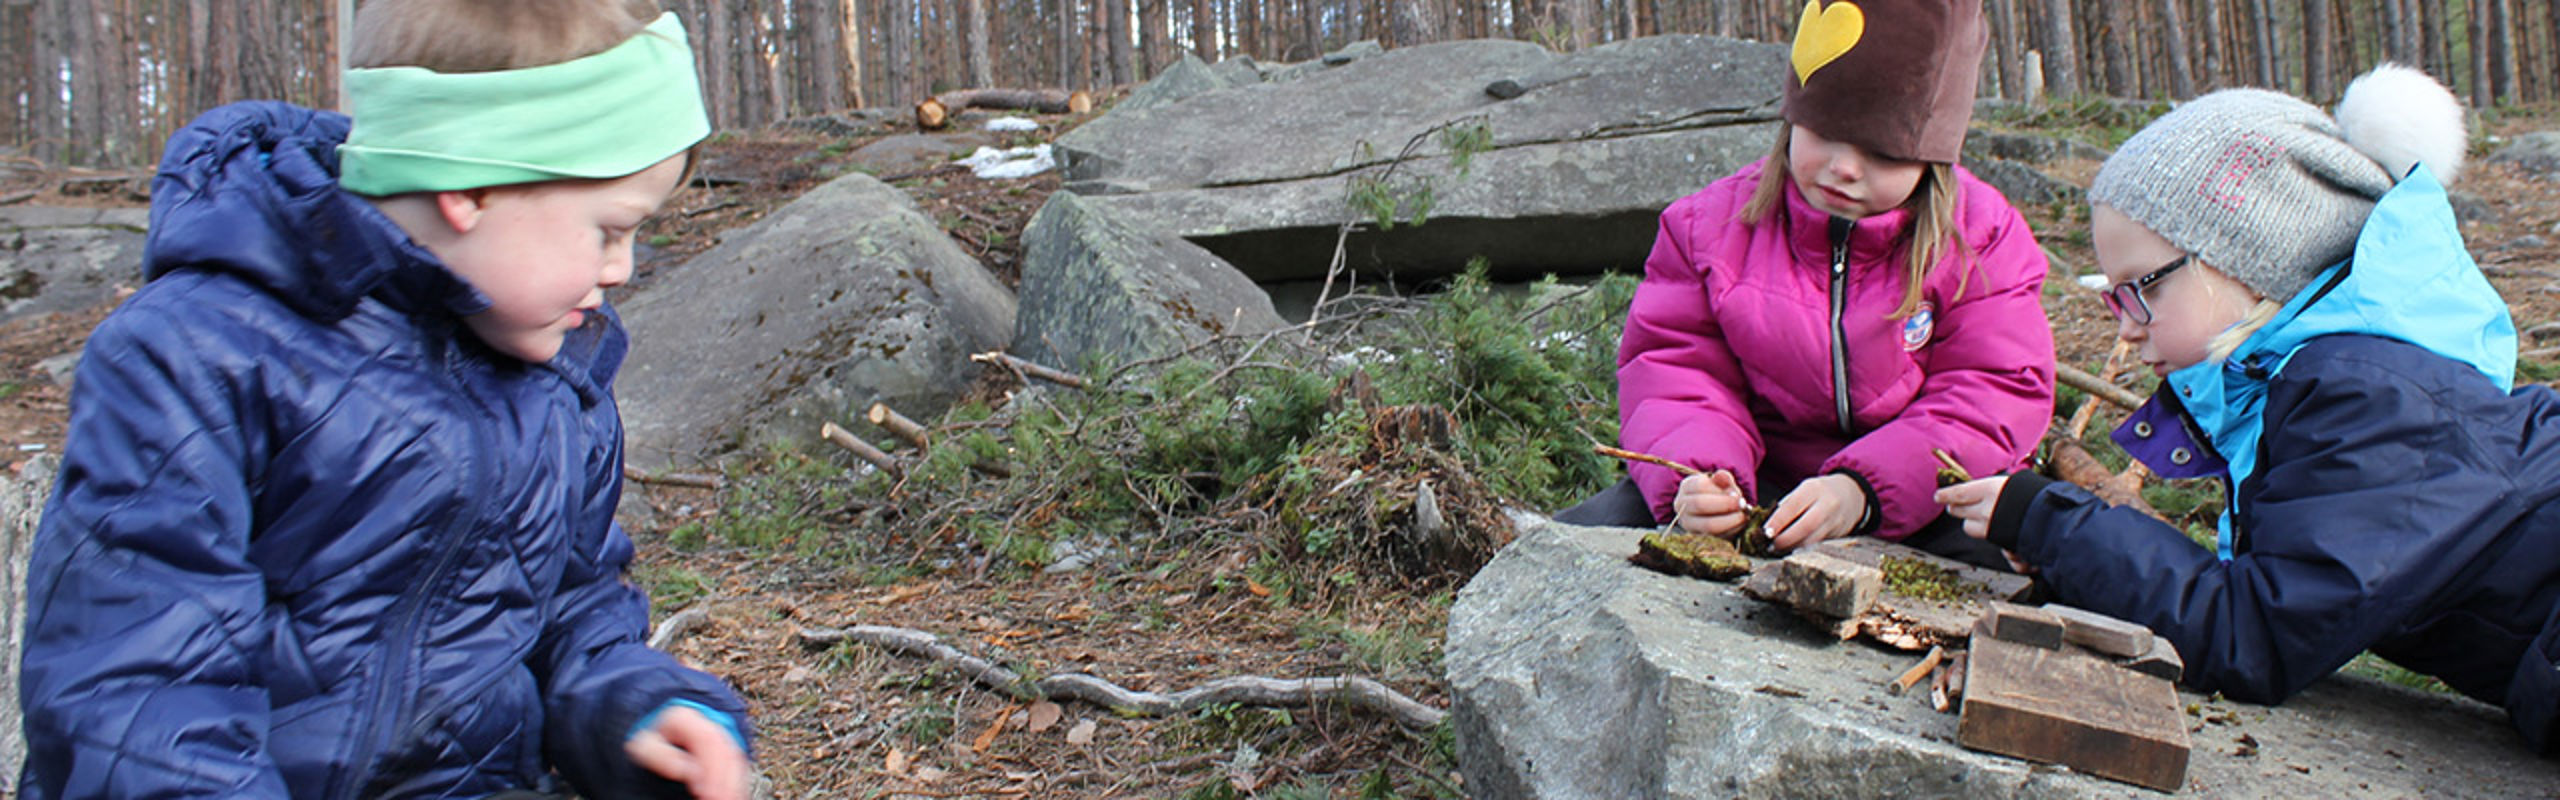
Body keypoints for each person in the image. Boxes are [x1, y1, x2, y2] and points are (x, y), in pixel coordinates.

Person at [16, 1, 754, 796]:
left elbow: (571, 610)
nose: (622, 270)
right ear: (472, 183)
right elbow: (137, 690)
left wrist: (634, 710)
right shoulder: (199, 357)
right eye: (609, 229)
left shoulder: (556, 381)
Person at [1937, 64, 2560, 750]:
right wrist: (2068, 557)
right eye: (2111, 297)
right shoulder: (2335, 382)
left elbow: (2253, 636)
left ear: (2243, 264)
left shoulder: (2373, 397)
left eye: (2140, 290)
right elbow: (2278, 596)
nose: (2125, 326)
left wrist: (2051, 524)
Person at [1558, 0, 2055, 571]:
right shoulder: (1705, 229)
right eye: (1825, 133)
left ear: (1931, 159)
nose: (1844, 167)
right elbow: (1676, 370)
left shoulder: (1981, 238)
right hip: (1759, 485)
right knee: (1584, 542)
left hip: (1928, 498)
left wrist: (1861, 491)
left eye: (1883, 151)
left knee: (2021, 571)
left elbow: (1991, 390)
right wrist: (1698, 476)